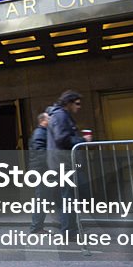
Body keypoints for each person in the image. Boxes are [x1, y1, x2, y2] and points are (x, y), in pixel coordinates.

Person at [47, 90, 89, 236]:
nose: (79, 107)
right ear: (68, 103)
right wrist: (83, 140)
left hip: (62, 163)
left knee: (69, 197)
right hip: (63, 164)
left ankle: (70, 229)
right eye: (77, 104)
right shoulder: (60, 115)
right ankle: (69, 231)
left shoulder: (60, 115)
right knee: (68, 198)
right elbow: (61, 139)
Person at [28, 111, 50, 233]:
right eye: (49, 118)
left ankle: (37, 226)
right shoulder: (39, 133)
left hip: (41, 171)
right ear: (43, 120)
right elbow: (41, 153)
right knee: (42, 199)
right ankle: (36, 227)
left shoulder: (42, 132)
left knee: (43, 199)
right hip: (41, 172)